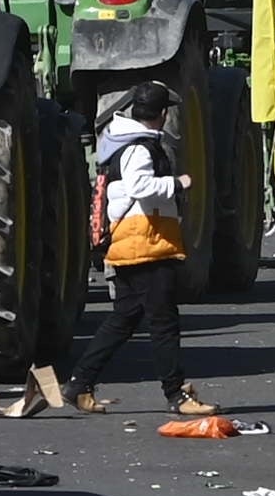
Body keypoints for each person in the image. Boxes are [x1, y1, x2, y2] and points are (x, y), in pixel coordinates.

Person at [66, 90, 205, 416]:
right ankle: (177, 395)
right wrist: (178, 183)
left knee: (123, 320)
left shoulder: (124, 144)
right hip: (146, 245)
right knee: (164, 323)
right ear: (164, 115)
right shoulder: (140, 149)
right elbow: (140, 187)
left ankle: (79, 384)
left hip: (136, 243)